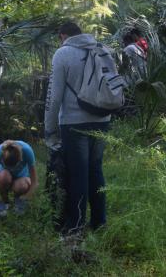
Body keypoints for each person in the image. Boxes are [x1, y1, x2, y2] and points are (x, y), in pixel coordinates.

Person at [44, 22, 111, 234]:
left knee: (78, 174)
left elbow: (54, 98)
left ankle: (75, 225)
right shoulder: (102, 49)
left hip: (74, 121)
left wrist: (49, 129)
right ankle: (100, 222)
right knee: (96, 169)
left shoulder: (62, 54)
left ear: (62, 35)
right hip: (102, 118)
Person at [0, 140, 37, 217]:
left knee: (21, 186)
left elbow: (34, 182)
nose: (11, 169)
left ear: (20, 159)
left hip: (22, 178)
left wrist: (25, 198)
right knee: (3, 177)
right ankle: (5, 201)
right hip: (5, 175)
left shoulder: (27, 151)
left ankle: (18, 201)